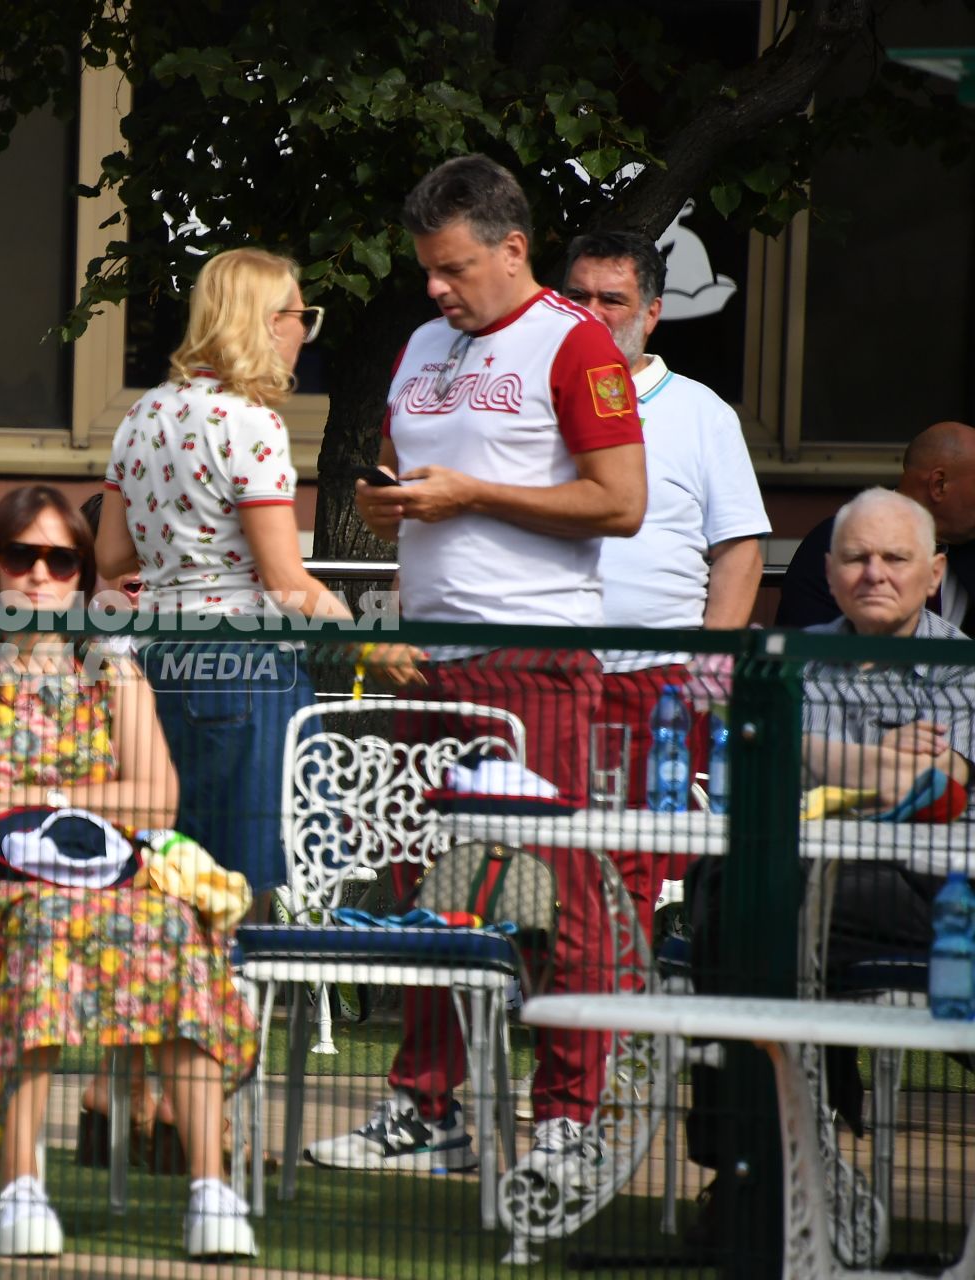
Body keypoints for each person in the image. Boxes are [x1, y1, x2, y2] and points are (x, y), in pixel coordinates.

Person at [315, 155, 647, 1182]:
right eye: (427, 268)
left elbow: (621, 501)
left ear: (514, 248)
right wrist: (389, 507)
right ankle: (428, 1109)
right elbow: (415, 480)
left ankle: (566, 1122)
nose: (434, 288)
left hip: (536, 659)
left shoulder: (575, 340)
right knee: (428, 895)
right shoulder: (421, 344)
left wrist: (471, 497)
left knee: (559, 899)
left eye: (454, 267)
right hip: (427, 661)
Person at [0, 484, 260, 1260]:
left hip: (109, 885)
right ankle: (20, 1187)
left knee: (171, 924)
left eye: (61, 559)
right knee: (42, 928)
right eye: (20, 555)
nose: (39, 575)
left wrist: (31, 793)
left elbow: (157, 803)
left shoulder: (112, 668)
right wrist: (96, 800)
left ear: (81, 576)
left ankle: (211, 1189)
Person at [684, 487, 973, 1241]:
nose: (875, 572)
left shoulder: (963, 667)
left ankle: (755, 1164)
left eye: (895, 558)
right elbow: (757, 767)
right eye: (857, 557)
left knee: (751, 898)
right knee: (720, 886)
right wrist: (875, 758)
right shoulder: (797, 657)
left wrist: (809, 750)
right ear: (833, 571)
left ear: (934, 571)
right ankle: (753, 1154)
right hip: (810, 877)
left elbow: (932, 786)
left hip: (928, 893)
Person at [95, 246, 424, 901]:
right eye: (302, 315)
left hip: (162, 664)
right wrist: (368, 641)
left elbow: (110, 558)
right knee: (259, 880)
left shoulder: (140, 416)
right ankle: (242, 1002)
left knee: (180, 877)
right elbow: (288, 584)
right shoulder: (251, 423)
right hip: (246, 668)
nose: (305, 331)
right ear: (268, 321)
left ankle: (188, 999)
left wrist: (184, 542)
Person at [562, 229, 770, 933]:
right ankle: (542, 989)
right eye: (579, 297)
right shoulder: (534, 399)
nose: (594, 312)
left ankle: (624, 998)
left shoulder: (702, 412)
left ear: (651, 312)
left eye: (612, 300)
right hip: (543, 668)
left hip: (656, 680)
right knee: (546, 847)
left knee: (641, 864)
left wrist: (712, 661)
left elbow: (739, 548)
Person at [776, 421, 975, 630]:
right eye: (895, 559)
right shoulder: (837, 542)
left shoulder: (967, 547)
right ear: (939, 485)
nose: (875, 574)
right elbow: (804, 649)